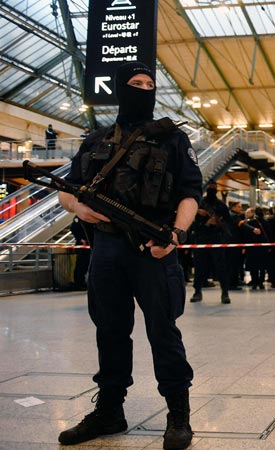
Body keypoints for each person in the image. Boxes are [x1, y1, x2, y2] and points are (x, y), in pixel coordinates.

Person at [57, 61, 200, 449]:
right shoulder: (96, 139)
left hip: (153, 248)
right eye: (136, 83)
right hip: (105, 247)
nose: (144, 88)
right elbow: (67, 188)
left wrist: (176, 234)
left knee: (162, 330)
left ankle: (178, 413)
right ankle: (109, 411)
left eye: (150, 83)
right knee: (110, 331)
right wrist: (79, 209)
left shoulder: (172, 140)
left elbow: (190, 192)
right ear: (121, 89)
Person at [190, 180, 231, 303]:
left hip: (216, 239)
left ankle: (225, 292)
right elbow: (193, 223)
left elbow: (228, 223)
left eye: (214, 187)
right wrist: (200, 215)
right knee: (199, 267)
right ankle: (197, 291)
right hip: (201, 238)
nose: (212, 190)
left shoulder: (221, 206)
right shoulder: (200, 204)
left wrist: (217, 223)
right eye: (210, 187)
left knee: (221, 268)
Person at [70, 217, 91, 290]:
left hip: (88, 243)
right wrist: (80, 238)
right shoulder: (78, 218)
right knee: (81, 264)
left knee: (86, 264)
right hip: (82, 245)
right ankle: (79, 283)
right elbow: (73, 228)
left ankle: (82, 282)